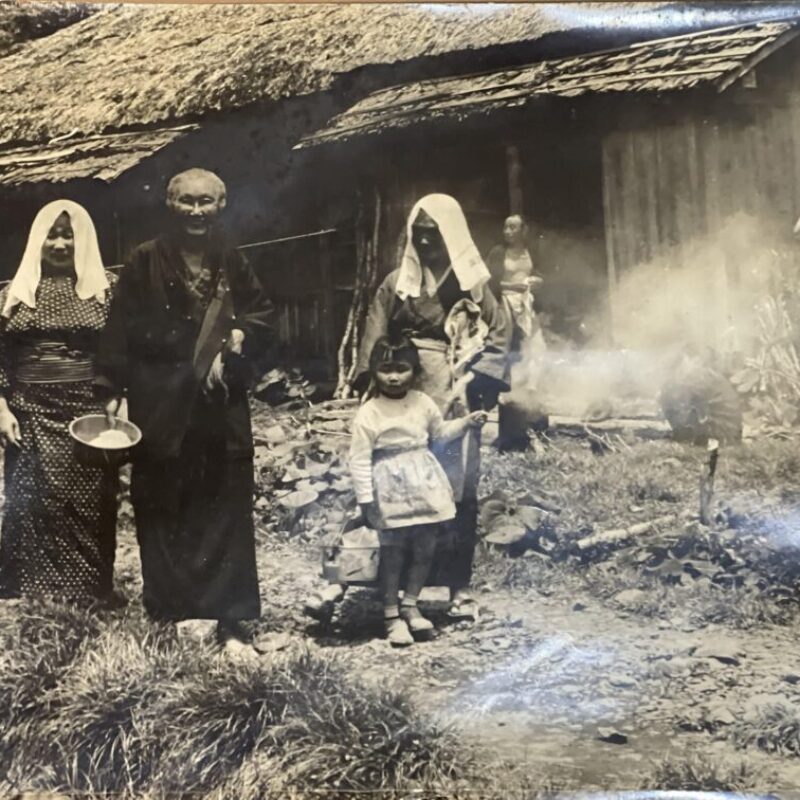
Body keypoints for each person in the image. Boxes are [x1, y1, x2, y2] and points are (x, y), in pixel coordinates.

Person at [305, 194, 508, 624]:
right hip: (398, 388)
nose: (427, 240)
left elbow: (500, 331)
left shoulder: (472, 283)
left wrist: (479, 378)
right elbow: (376, 330)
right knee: (379, 483)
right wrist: (371, 378)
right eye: (419, 232)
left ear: (452, 233)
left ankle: (456, 587)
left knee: (453, 494)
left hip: (452, 390)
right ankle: (344, 579)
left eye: (435, 233)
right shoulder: (398, 281)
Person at [94, 168, 272, 654]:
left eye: (206, 202)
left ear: (222, 205)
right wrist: (111, 389)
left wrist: (240, 335)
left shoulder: (232, 261)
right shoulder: (144, 261)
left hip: (219, 405)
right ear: (170, 206)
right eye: (187, 202)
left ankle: (231, 621)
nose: (197, 211)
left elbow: (261, 313)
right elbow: (119, 330)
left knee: (226, 508)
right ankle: (167, 616)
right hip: (160, 404)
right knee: (161, 506)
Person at [0, 200, 119, 604]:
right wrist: (1, 409)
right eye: (52, 234)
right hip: (29, 409)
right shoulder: (12, 294)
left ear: (83, 239)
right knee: (32, 499)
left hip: (87, 408)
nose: (61, 243)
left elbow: (121, 351)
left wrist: (117, 397)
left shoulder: (106, 289)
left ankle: (88, 591)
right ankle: (28, 590)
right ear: (38, 239)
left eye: (70, 234)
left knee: (88, 499)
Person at [350, 335, 487, 645]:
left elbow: (439, 436)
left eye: (402, 368)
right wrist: (366, 499)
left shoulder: (423, 403)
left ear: (414, 370)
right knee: (394, 552)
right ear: (374, 371)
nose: (395, 377)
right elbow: (358, 459)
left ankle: (411, 605)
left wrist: (465, 423)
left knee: (425, 548)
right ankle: (391, 616)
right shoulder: (370, 412)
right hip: (388, 488)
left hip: (423, 483)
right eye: (386, 369)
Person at [486, 214, 547, 451]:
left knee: (536, 347)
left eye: (513, 227)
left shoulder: (532, 252)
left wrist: (536, 281)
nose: (508, 231)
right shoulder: (498, 252)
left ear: (524, 230)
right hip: (505, 304)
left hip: (526, 303)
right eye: (506, 227)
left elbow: (542, 275)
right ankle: (508, 398)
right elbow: (488, 281)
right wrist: (514, 286)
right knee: (510, 350)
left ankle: (531, 393)